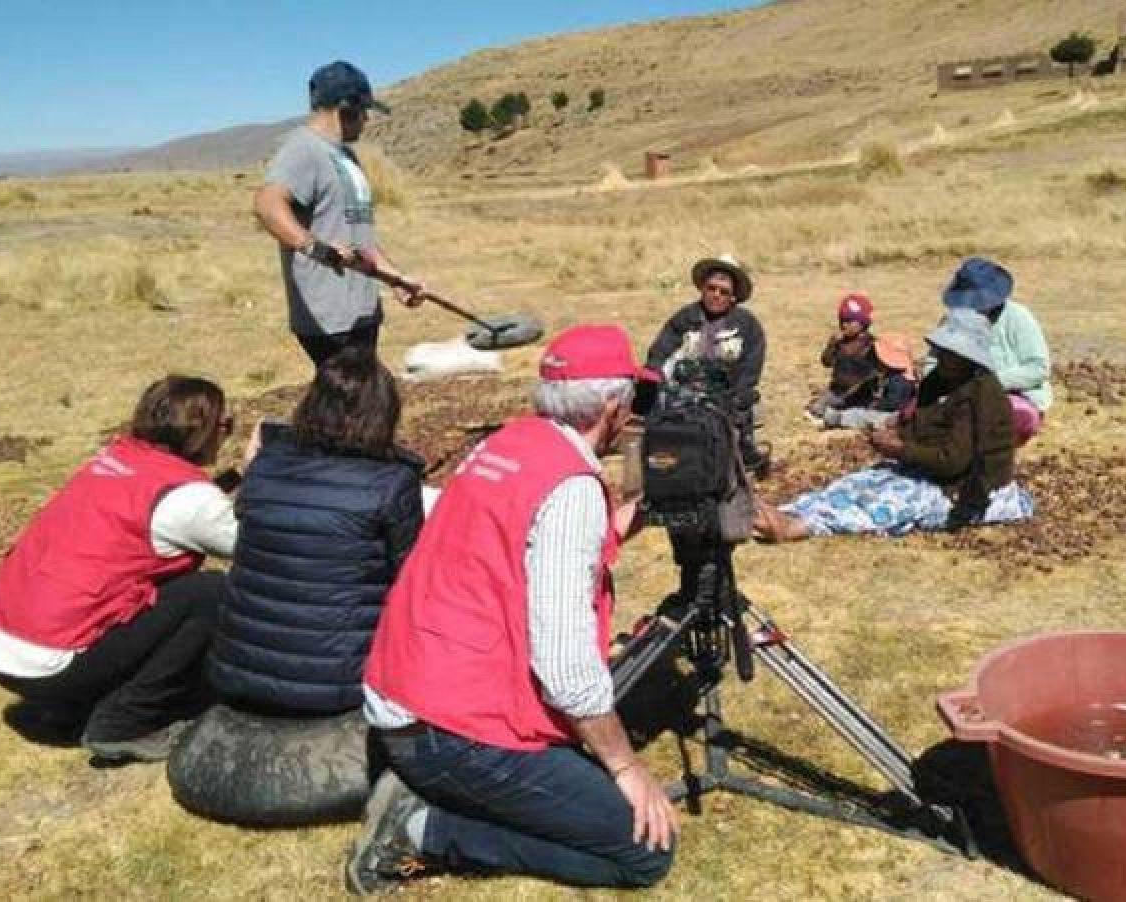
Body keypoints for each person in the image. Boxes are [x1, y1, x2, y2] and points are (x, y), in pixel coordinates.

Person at [347, 325, 675, 893]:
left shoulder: (505, 445)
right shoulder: (570, 489)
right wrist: (625, 766)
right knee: (641, 852)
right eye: (633, 400)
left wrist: (619, 523)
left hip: (407, 692)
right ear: (611, 406)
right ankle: (425, 830)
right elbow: (566, 672)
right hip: (446, 729)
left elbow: (518, 552)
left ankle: (424, 788)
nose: (633, 415)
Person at [0, 376, 241, 763]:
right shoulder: (188, 501)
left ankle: (71, 703)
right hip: (50, 661)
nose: (226, 436)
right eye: (224, 426)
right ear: (201, 433)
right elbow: (261, 547)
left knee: (158, 582)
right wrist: (266, 477)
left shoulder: (113, 460)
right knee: (209, 593)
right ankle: (125, 722)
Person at [208, 348, 424, 716]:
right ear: (384, 412)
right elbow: (412, 577)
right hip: (338, 682)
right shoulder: (391, 482)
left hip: (236, 667)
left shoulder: (266, 463)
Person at [755, 309, 1033, 541]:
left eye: (953, 352)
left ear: (970, 357)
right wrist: (895, 434)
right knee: (857, 483)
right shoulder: (938, 381)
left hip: (964, 488)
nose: (944, 356)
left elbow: (953, 461)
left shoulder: (982, 393)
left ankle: (798, 527)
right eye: (943, 350)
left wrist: (901, 449)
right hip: (927, 470)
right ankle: (791, 511)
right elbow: (921, 428)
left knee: (888, 501)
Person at [254, 60, 425, 367]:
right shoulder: (304, 150)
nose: (367, 120)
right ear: (346, 108)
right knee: (354, 410)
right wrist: (318, 249)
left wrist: (394, 278)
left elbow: (358, 235)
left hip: (360, 310)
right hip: (329, 317)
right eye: (364, 111)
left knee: (360, 406)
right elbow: (268, 205)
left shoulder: (346, 156)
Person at [645, 255, 769, 475]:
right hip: (679, 396)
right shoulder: (684, 319)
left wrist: (735, 398)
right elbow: (658, 355)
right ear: (702, 288)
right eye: (711, 288)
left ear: (733, 297)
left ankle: (742, 450)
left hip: (725, 400)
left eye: (724, 292)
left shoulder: (748, 327)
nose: (716, 295)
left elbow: (749, 373)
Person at [940, 257, 1052, 446]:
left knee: (1014, 417)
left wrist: (987, 383)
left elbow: (1038, 368)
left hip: (1012, 396)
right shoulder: (953, 320)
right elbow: (933, 361)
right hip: (960, 397)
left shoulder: (1018, 318)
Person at [807, 293, 917, 431]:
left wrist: (874, 404)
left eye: (849, 321)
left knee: (857, 414)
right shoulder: (840, 343)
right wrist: (831, 346)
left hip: (868, 399)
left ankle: (835, 418)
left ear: (863, 323)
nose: (843, 325)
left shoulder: (871, 347)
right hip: (839, 391)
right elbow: (826, 361)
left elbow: (891, 400)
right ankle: (832, 415)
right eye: (841, 320)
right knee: (817, 407)